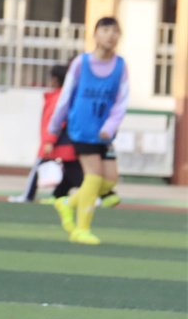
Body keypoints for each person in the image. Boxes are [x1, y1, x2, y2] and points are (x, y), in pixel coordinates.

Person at [47, 16, 128, 245]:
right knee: (93, 177)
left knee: (110, 181)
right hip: (82, 129)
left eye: (115, 31)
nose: (110, 35)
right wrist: (53, 129)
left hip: (105, 133)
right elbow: (66, 97)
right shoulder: (81, 64)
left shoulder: (120, 66)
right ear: (95, 35)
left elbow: (121, 102)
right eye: (105, 30)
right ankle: (81, 229)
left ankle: (67, 203)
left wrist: (110, 126)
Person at [8, 65, 83, 204]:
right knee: (74, 173)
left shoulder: (59, 97)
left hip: (57, 143)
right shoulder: (61, 96)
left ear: (55, 80)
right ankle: (86, 196)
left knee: (43, 170)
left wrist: (49, 140)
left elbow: (56, 121)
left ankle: (28, 196)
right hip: (61, 143)